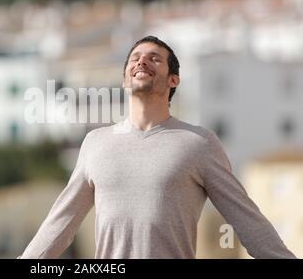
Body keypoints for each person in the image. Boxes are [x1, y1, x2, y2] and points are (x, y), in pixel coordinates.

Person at [18, 36, 296, 259]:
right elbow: (60, 224)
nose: (142, 61)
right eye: (135, 58)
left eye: (155, 58)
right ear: (125, 79)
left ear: (173, 80)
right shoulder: (95, 143)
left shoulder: (199, 143)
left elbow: (247, 220)